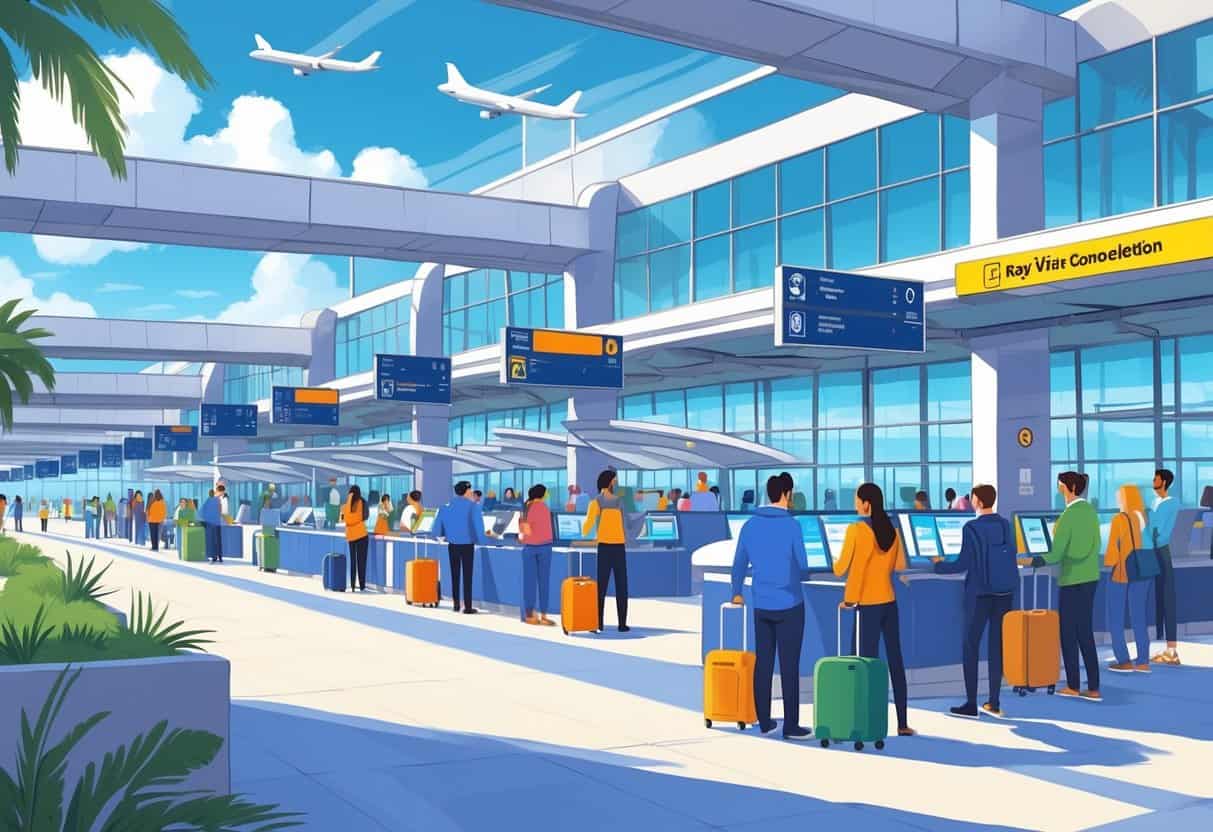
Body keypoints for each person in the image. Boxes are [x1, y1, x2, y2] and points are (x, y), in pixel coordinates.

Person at [730, 472, 812, 739]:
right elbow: (803, 565)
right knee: (789, 666)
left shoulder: (750, 525)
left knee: (763, 663)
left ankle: (764, 721)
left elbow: (738, 564)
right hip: (790, 604)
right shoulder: (792, 526)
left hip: (762, 604)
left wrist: (736, 592)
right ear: (787, 494)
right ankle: (791, 726)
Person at [834, 482, 916, 737]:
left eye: (857, 500)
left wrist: (849, 599)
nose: (855, 504)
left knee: (862, 665)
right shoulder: (892, 530)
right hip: (889, 603)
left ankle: (862, 723)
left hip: (866, 606)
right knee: (895, 662)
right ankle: (902, 723)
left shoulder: (856, 530)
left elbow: (843, 569)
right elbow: (900, 565)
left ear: (866, 503)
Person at [933, 484, 1017, 718]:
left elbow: (962, 564)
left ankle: (971, 703)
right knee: (996, 647)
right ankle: (994, 702)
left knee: (971, 646)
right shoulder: (1005, 525)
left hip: (979, 595)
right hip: (1004, 593)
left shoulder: (971, 528)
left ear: (978, 501)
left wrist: (938, 565)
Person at [1032, 471, 1102, 702]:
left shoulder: (1068, 516)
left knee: (1068, 634)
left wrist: (1033, 560)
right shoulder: (1090, 511)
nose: (1059, 489)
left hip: (1072, 580)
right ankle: (1094, 687)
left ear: (1071, 487)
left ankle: (1073, 685)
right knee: (1086, 633)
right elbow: (1095, 544)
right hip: (1090, 579)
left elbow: (1055, 554)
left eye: (1061, 486)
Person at [1104, 484, 1154, 674]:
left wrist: (1108, 563)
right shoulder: (1144, 517)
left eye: (1119, 497)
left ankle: (1123, 660)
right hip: (1143, 570)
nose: (1118, 500)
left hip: (1122, 573)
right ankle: (1143, 661)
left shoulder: (1119, 519)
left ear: (1124, 499)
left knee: (1116, 618)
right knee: (1139, 617)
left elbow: (1112, 548)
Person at [432, 481, 494, 613]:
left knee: (454, 575)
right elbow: (478, 527)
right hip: (467, 545)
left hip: (452, 545)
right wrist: (485, 541)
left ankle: (456, 605)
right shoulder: (473, 506)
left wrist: (444, 535)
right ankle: (468, 606)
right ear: (466, 491)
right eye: (470, 489)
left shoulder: (446, 507)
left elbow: (437, 529)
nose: (471, 491)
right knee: (467, 576)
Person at [583, 469, 630, 633]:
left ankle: (598, 624)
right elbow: (627, 524)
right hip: (619, 547)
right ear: (610, 482)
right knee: (621, 586)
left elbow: (587, 527)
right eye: (614, 480)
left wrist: (583, 532)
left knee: (601, 587)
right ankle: (622, 624)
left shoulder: (596, 502)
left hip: (604, 547)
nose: (615, 483)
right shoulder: (620, 502)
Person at [1150, 469, 1181, 666]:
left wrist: (1153, 534)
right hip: (1152, 550)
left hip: (1162, 551)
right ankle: (1163, 645)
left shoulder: (1172, 503)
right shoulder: (1154, 502)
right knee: (1157, 597)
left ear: (1164, 482)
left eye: (1156, 478)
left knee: (1167, 597)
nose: (1153, 481)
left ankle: (1172, 649)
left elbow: (1161, 529)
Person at [519, 484, 556, 626]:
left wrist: (522, 537)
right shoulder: (544, 508)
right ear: (542, 494)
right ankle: (544, 615)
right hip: (545, 547)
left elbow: (525, 530)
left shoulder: (527, 507)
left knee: (530, 582)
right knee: (544, 582)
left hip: (530, 547)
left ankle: (530, 615)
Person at [342, 485, 370, 591]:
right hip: (361, 534)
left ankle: (353, 585)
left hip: (351, 535)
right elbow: (366, 516)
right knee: (361, 561)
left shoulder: (347, 504)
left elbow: (343, 518)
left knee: (353, 561)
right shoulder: (363, 502)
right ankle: (362, 585)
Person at [199, 486, 225, 563]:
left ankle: (217, 556)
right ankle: (217, 556)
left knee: (215, 540)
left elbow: (202, 511)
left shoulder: (214, 499)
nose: (222, 494)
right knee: (215, 540)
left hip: (214, 522)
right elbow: (218, 511)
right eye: (222, 492)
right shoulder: (214, 499)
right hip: (213, 523)